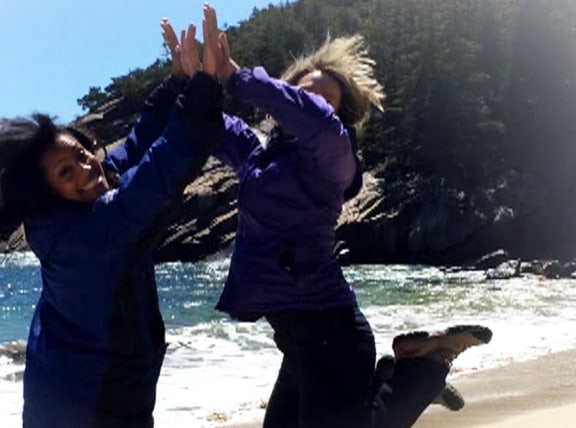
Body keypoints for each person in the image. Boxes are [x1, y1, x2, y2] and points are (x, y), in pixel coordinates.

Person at [195, 4, 492, 427]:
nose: (314, 102)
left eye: (325, 99)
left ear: (339, 114)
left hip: (332, 335)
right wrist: (192, 82)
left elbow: (312, 120)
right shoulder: (261, 158)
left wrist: (236, 77)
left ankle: (424, 368)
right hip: (296, 344)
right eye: (303, 91)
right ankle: (392, 379)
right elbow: (210, 126)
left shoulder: (335, 154)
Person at [0, 20, 223, 427]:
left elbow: (137, 149)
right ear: (49, 193)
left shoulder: (82, 198)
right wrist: (205, 87)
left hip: (95, 398)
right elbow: (156, 177)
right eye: (65, 173)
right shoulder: (84, 236)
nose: (87, 169)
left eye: (82, 156)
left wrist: (177, 84)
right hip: (89, 411)